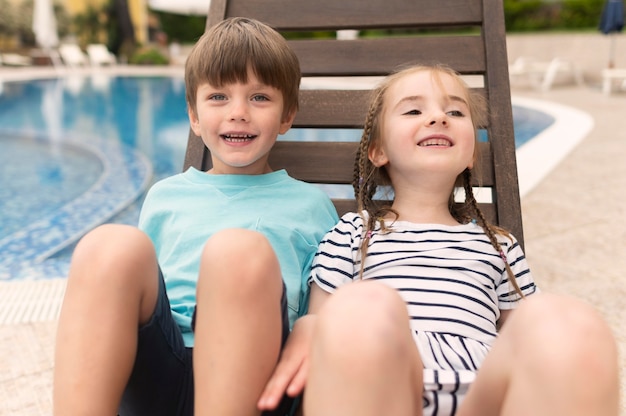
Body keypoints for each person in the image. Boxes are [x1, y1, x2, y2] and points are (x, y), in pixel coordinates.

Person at [259, 64, 620, 415]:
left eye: (455, 112)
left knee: (567, 321)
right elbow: (321, 325)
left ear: (470, 155)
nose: (438, 118)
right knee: (364, 306)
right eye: (415, 110)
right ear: (378, 151)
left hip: (480, 398)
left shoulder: (498, 246)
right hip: (384, 393)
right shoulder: (354, 233)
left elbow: (528, 340)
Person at [53, 17, 338, 416]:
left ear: (287, 116)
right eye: (219, 97)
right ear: (194, 116)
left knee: (238, 252)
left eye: (259, 98)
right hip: (162, 370)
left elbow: (326, 306)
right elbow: (140, 296)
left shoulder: (312, 206)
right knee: (109, 246)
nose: (238, 112)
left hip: (257, 379)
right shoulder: (166, 196)